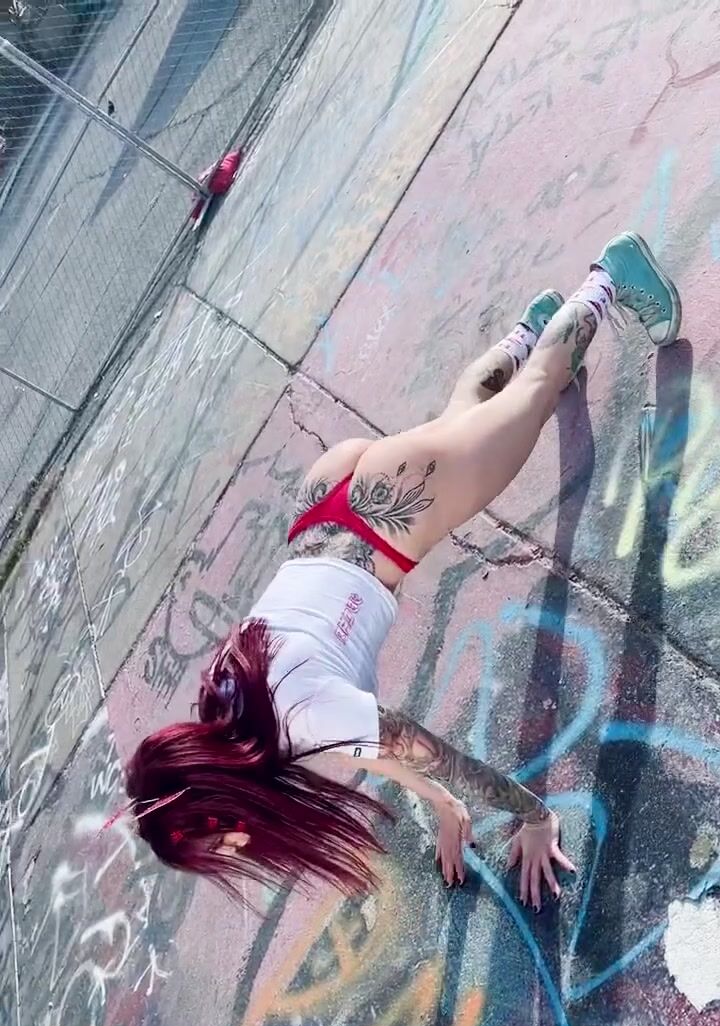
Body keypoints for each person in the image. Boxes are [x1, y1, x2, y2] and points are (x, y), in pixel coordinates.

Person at [124, 232, 681, 912]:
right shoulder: (232, 710)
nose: (233, 851)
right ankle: (529, 331)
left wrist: (535, 817)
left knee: (538, 393)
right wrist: (444, 807)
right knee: (460, 421)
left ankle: (611, 274)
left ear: (222, 798)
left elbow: (434, 753)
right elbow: (376, 747)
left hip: (395, 510)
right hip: (329, 502)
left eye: (218, 841)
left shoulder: (300, 717)